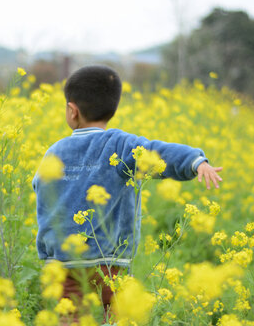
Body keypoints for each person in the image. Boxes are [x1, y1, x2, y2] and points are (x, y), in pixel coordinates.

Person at [32, 65, 223, 321]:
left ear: (72, 110)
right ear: (113, 108)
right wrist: (195, 161)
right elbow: (159, 152)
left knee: (71, 317)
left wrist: (48, 252)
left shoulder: (54, 151)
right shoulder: (120, 145)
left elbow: (42, 192)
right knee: (116, 317)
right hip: (109, 261)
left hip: (63, 265)